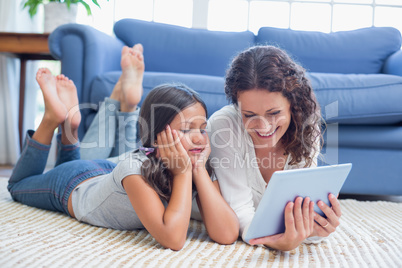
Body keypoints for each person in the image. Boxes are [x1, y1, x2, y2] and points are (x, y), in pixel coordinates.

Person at [7, 44, 239, 251]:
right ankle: (51, 121)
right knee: (17, 186)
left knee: (95, 160)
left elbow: (228, 234)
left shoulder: (198, 163)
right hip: (72, 185)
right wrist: (183, 172)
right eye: (187, 130)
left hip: (106, 169)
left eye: (202, 128)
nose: (199, 138)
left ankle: (71, 125)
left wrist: (198, 170)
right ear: (157, 137)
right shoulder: (135, 170)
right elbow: (173, 239)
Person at [208, 45, 342, 251]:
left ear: (293, 104)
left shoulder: (306, 127)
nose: (263, 127)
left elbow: (302, 211)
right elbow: (240, 213)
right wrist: (278, 243)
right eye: (249, 115)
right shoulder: (224, 125)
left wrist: (315, 229)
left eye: (273, 113)